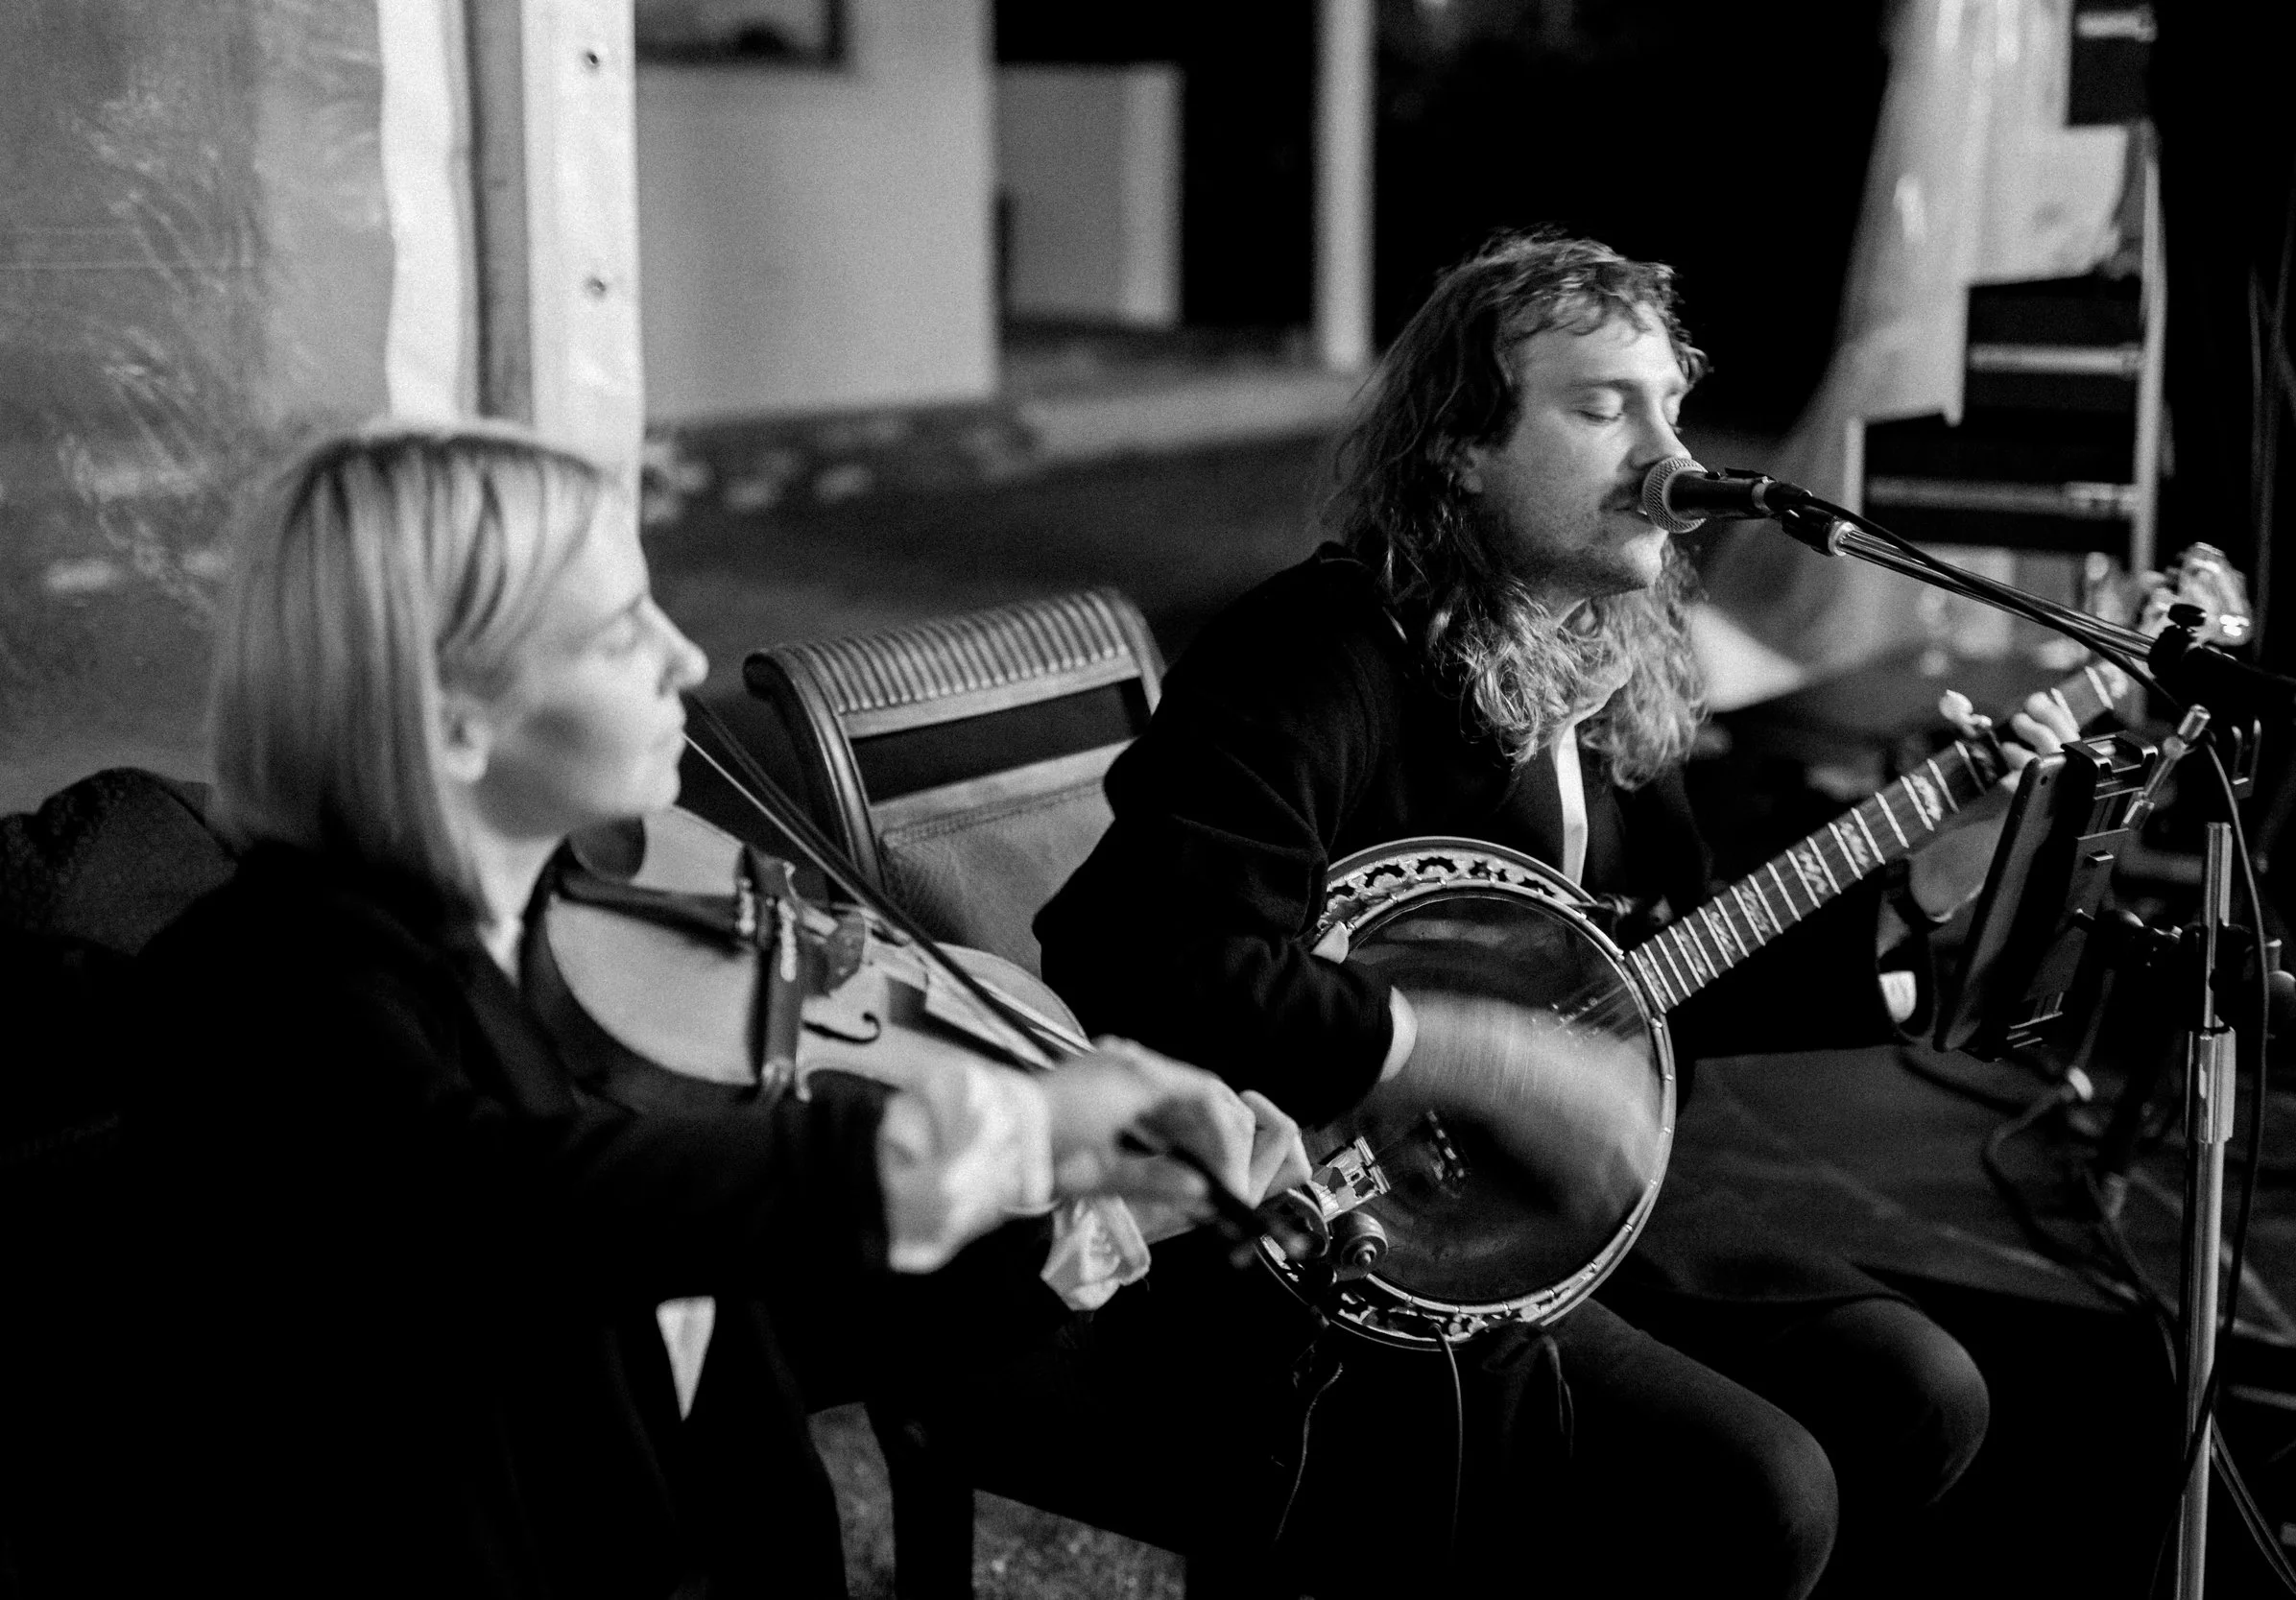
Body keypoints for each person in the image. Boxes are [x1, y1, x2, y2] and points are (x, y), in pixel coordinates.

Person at [1021, 231, 2085, 1596]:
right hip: (1324, 1254)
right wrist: (1459, 1048)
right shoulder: (1315, 654)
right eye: (1602, 408)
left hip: (1546, 1204)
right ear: (1461, 445)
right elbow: (1144, 953)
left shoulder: (1611, 665)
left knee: (1920, 1387)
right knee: (1763, 1487)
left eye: (1671, 408)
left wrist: (1929, 876)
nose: (1665, 453)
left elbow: (1657, 978)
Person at [123, 426, 1300, 1598]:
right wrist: (985, 1132)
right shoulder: (276, 996)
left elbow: (723, 1338)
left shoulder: (530, 964)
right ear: (453, 719)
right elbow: (520, 1208)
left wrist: (1061, 1221)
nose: (688, 657)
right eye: (618, 629)